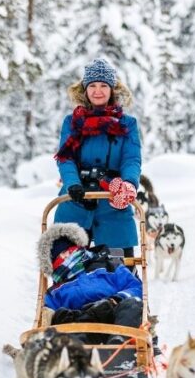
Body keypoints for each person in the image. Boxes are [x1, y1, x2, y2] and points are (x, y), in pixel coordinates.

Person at [54, 59, 141, 263]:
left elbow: (132, 158)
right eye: (92, 85)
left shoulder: (127, 124)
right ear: (85, 90)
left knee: (119, 268)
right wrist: (72, 184)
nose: (98, 91)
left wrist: (128, 184)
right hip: (75, 201)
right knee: (67, 268)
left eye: (103, 85)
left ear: (112, 89)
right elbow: (65, 158)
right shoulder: (72, 123)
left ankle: (119, 295)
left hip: (113, 201)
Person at [36, 222, 143, 337]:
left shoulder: (108, 266)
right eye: (60, 255)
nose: (67, 256)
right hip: (80, 328)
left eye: (69, 250)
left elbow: (136, 287)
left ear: (77, 247)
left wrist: (116, 299)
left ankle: (120, 343)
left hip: (116, 318)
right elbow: (48, 315)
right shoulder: (55, 291)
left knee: (133, 304)